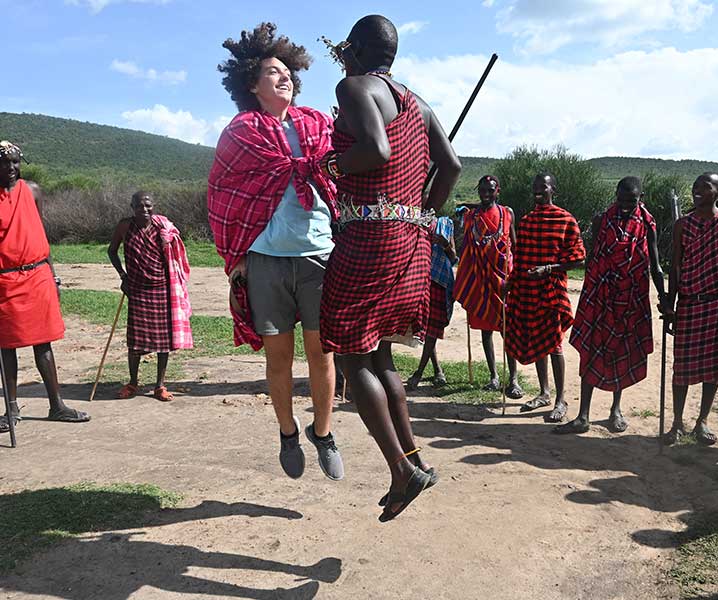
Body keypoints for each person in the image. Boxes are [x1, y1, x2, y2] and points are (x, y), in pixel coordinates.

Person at [319, 15, 461, 521]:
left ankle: (400, 472)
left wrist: (331, 166)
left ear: (354, 50)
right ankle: (415, 457)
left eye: (344, 51)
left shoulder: (353, 86)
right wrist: (423, 211)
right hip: (411, 241)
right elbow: (452, 167)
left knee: (350, 356)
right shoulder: (418, 103)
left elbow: (375, 149)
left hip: (367, 241)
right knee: (380, 357)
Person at [208, 23, 344, 481]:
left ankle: (322, 432)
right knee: (278, 357)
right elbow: (222, 193)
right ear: (252, 83)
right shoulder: (242, 131)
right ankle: (287, 431)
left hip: (319, 254)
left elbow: (343, 174)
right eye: (272, 71)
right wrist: (238, 254)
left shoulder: (317, 124)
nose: (283, 77)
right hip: (266, 260)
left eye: (287, 71)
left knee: (322, 354)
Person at [555, 177, 670, 434]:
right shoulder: (602, 220)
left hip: (631, 300)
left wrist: (664, 296)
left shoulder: (647, 223)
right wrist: (589, 296)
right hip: (601, 298)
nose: (626, 205)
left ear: (641, 197)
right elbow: (595, 259)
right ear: (615, 195)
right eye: (622, 199)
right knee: (591, 353)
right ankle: (583, 415)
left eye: (632, 200)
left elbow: (655, 263)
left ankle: (615, 410)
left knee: (622, 353)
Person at [0, 141, 90, 432]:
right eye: (5, 163)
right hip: (5, 279)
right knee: (6, 347)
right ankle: (11, 409)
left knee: (44, 343)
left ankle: (57, 405)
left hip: (37, 275)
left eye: (16, 162)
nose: (11, 168)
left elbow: (39, 230)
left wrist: (53, 275)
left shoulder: (33, 191)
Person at [661, 172, 718, 445]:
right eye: (695, 186)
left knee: (715, 367)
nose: (697, 190)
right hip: (689, 303)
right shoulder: (682, 224)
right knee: (681, 367)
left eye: (704, 187)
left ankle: (702, 421)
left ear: (717, 192)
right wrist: (670, 304)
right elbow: (675, 266)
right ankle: (676, 422)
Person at [505, 173, 586, 422]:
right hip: (527, 291)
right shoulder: (528, 221)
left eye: (544, 187)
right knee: (538, 341)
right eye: (535, 188)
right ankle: (544, 393)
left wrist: (549, 269)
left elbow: (579, 258)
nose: (538, 191)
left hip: (551, 291)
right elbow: (519, 260)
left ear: (553, 190)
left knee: (554, 344)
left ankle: (561, 400)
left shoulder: (565, 220)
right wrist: (510, 283)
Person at [108, 191, 193, 401]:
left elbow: (173, 256)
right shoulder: (125, 226)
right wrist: (123, 276)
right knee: (135, 341)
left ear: (153, 206)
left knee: (163, 341)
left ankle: (160, 386)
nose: (144, 210)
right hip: (136, 290)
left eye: (148, 206)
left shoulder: (162, 228)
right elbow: (112, 251)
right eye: (139, 206)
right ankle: (133, 382)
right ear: (132, 207)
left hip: (161, 289)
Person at [454, 175, 522, 397]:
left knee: (507, 331)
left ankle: (513, 379)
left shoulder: (507, 213)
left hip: (502, 280)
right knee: (485, 331)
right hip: (481, 280)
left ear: (497, 190)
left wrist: (513, 277)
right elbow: (465, 248)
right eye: (482, 189)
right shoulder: (471, 217)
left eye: (490, 189)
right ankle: (494, 376)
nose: (485, 193)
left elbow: (514, 245)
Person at [405, 214, 457, 391]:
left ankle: (419, 373)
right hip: (419, 279)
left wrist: (445, 244)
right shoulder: (412, 221)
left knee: (432, 329)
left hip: (440, 282)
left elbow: (453, 257)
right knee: (426, 329)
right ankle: (437, 370)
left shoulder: (445, 223)